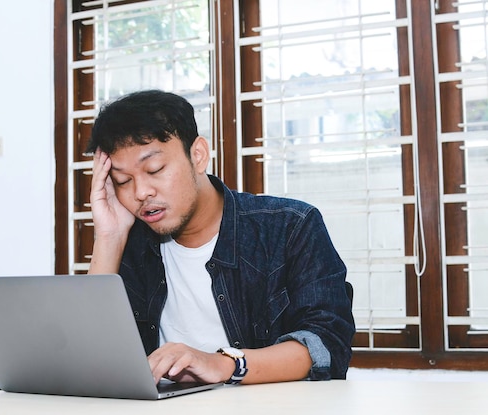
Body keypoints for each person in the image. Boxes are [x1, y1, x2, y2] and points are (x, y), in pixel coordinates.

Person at [86, 90, 355, 385]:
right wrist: (109, 237)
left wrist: (224, 364)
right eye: (123, 180)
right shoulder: (130, 243)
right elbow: (88, 361)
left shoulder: (291, 227)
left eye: (155, 169)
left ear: (198, 155)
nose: (140, 193)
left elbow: (326, 345)